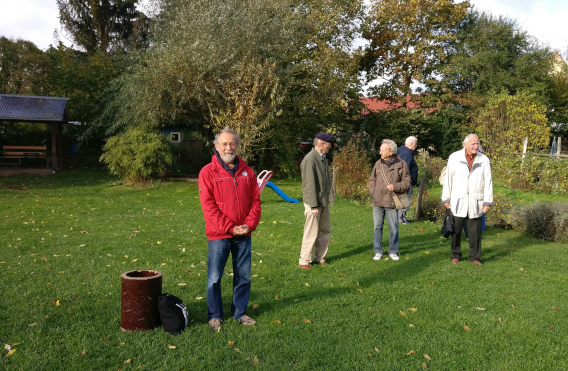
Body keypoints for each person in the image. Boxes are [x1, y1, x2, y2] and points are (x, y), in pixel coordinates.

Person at [198, 127, 261, 331]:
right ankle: (214, 315)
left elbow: (255, 201)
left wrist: (249, 225)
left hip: (244, 233)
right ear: (216, 146)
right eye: (224, 144)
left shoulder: (247, 171)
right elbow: (209, 207)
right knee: (214, 277)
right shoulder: (207, 172)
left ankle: (240, 312)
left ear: (237, 146)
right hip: (219, 234)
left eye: (232, 143)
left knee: (243, 276)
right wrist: (230, 228)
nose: (228, 147)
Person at [441, 134, 493, 266]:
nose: (476, 146)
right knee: (455, 230)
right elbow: (448, 180)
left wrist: (487, 202)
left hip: (476, 201)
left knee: (475, 231)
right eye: (473, 144)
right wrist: (446, 198)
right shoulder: (454, 157)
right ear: (465, 144)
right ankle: (455, 254)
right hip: (457, 200)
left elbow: (488, 182)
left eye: (477, 143)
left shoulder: (484, 160)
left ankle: (475, 257)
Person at [368, 139, 411, 261]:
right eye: (380, 150)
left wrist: (396, 187)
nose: (380, 153)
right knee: (377, 226)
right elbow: (372, 179)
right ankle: (378, 251)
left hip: (392, 201)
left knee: (394, 227)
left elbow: (407, 182)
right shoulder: (378, 164)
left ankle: (393, 251)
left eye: (382, 150)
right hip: (377, 200)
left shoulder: (402, 164)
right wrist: (373, 192)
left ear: (391, 152)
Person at [299, 133, 335, 269]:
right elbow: (309, 185)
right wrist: (313, 205)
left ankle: (320, 257)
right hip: (313, 202)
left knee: (325, 230)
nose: (329, 148)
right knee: (311, 231)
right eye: (329, 146)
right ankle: (304, 260)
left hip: (323, 201)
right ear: (321, 144)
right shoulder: (310, 159)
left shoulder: (322, 158)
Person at [397, 136, 418, 225]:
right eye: (415, 144)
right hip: (405, 181)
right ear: (411, 144)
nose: (416, 146)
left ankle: (399, 218)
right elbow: (405, 168)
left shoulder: (400, 151)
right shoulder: (407, 153)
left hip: (400, 181)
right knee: (406, 200)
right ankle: (401, 219)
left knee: (401, 199)